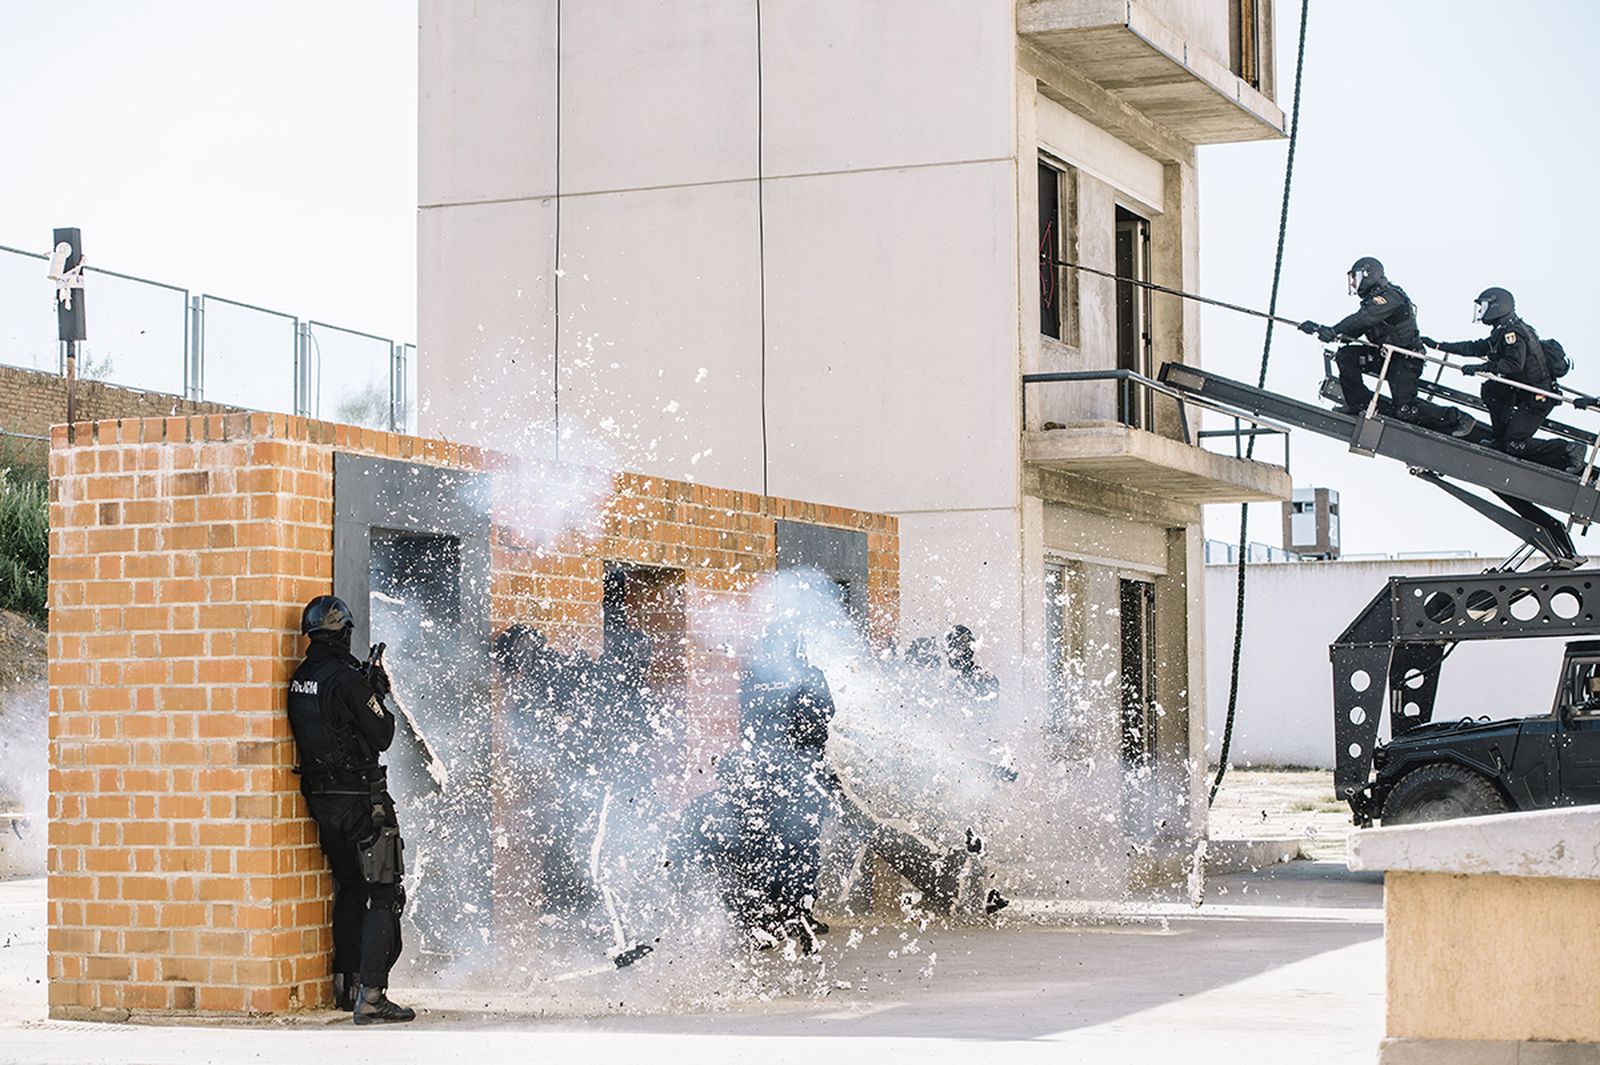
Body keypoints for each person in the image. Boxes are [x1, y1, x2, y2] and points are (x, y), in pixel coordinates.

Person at [286, 596, 415, 1025]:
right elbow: (381, 735)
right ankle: (372, 996)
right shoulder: (349, 680)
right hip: (362, 801)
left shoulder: (301, 677)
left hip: (323, 802)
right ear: (343, 633)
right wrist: (376, 691)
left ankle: (348, 987)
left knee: (351, 887)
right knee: (383, 892)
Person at [1299, 257, 1474, 436]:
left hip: (1406, 359)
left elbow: (1363, 319)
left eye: (1355, 277)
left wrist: (1334, 330)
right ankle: (1360, 405)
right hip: (1386, 356)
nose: (1352, 283)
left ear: (1368, 275)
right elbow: (1353, 331)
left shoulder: (1390, 297)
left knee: (1404, 410)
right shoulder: (1372, 303)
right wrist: (1320, 329)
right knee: (1347, 356)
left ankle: (1457, 418)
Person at [1424, 287, 1584, 473]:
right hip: (1524, 393)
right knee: (1492, 389)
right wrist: (1439, 346)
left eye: (1484, 306)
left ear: (1497, 306)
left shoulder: (1513, 333)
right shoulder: (1503, 330)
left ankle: (1568, 449)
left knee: (1513, 444)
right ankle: (1500, 439)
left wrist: (1482, 367)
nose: (1481, 311)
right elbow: (1475, 347)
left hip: (1537, 398)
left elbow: (1514, 364)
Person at [945, 625, 999, 700]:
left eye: (965, 646)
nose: (961, 651)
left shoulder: (983, 678)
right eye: (959, 646)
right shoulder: (943, 674)